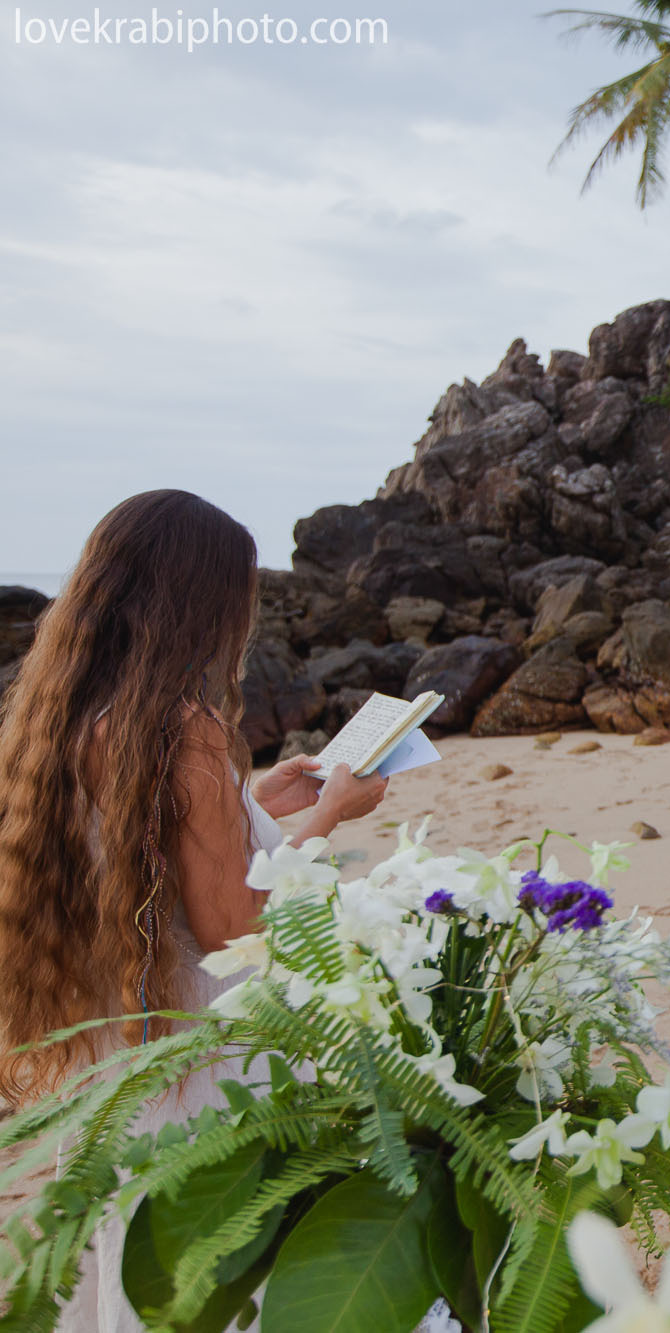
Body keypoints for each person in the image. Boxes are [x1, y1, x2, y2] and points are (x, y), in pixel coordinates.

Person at [0, 490, 389, 1333]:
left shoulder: (66, 721)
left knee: (142, 1268)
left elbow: (150, 860)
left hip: (122, 1051)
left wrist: (253, 803)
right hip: (206, 1058)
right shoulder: (185, 728)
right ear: (195, 601)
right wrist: (331, 814)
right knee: (230, 1280)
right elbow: (235, 930)